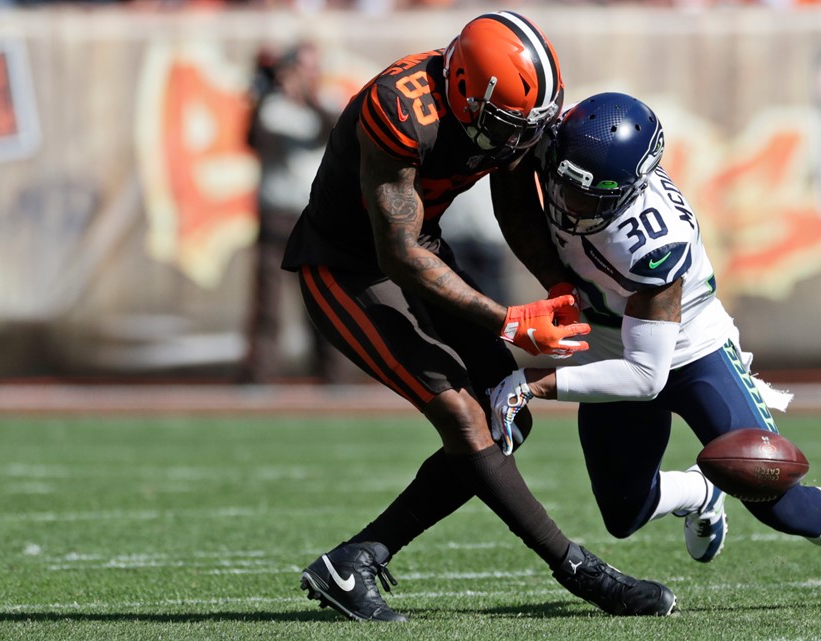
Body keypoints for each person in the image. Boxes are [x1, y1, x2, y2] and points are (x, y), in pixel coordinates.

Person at [489, 92, 821, 607]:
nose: (570, 205)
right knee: (623, 513)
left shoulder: (655, 241)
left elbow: (645, 376)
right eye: (566, 187)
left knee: (779, 503)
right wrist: (554, 285)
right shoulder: (560, 149)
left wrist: (537, 382)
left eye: (590, 198)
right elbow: (513, 197)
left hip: (688, 347)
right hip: (610, 334)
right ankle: (702, 492)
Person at [280, 14, 676, 622]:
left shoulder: (499, 111)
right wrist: (510, 323)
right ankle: (581, 571)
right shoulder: (400, 110)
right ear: (467, 92)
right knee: (465, 418)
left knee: (504, 411)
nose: (519, 142)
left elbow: (515, 207)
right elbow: (399, 252)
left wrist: (560, 283)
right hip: (347, 269)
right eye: (509, 128)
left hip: (422, 255)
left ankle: (355, 559)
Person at [240, 41, 349, 384]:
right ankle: (261, 377)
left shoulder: (325, 101)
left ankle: (333, 377)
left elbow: (334, 129)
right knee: (267, 304)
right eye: (300, 67)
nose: (306, 74)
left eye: (311, 68)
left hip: (314, 216)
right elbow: (255, 138)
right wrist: (264, 91)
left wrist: (309, 96)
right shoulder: (273, 106)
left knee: (324, 301)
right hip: (276, 216)